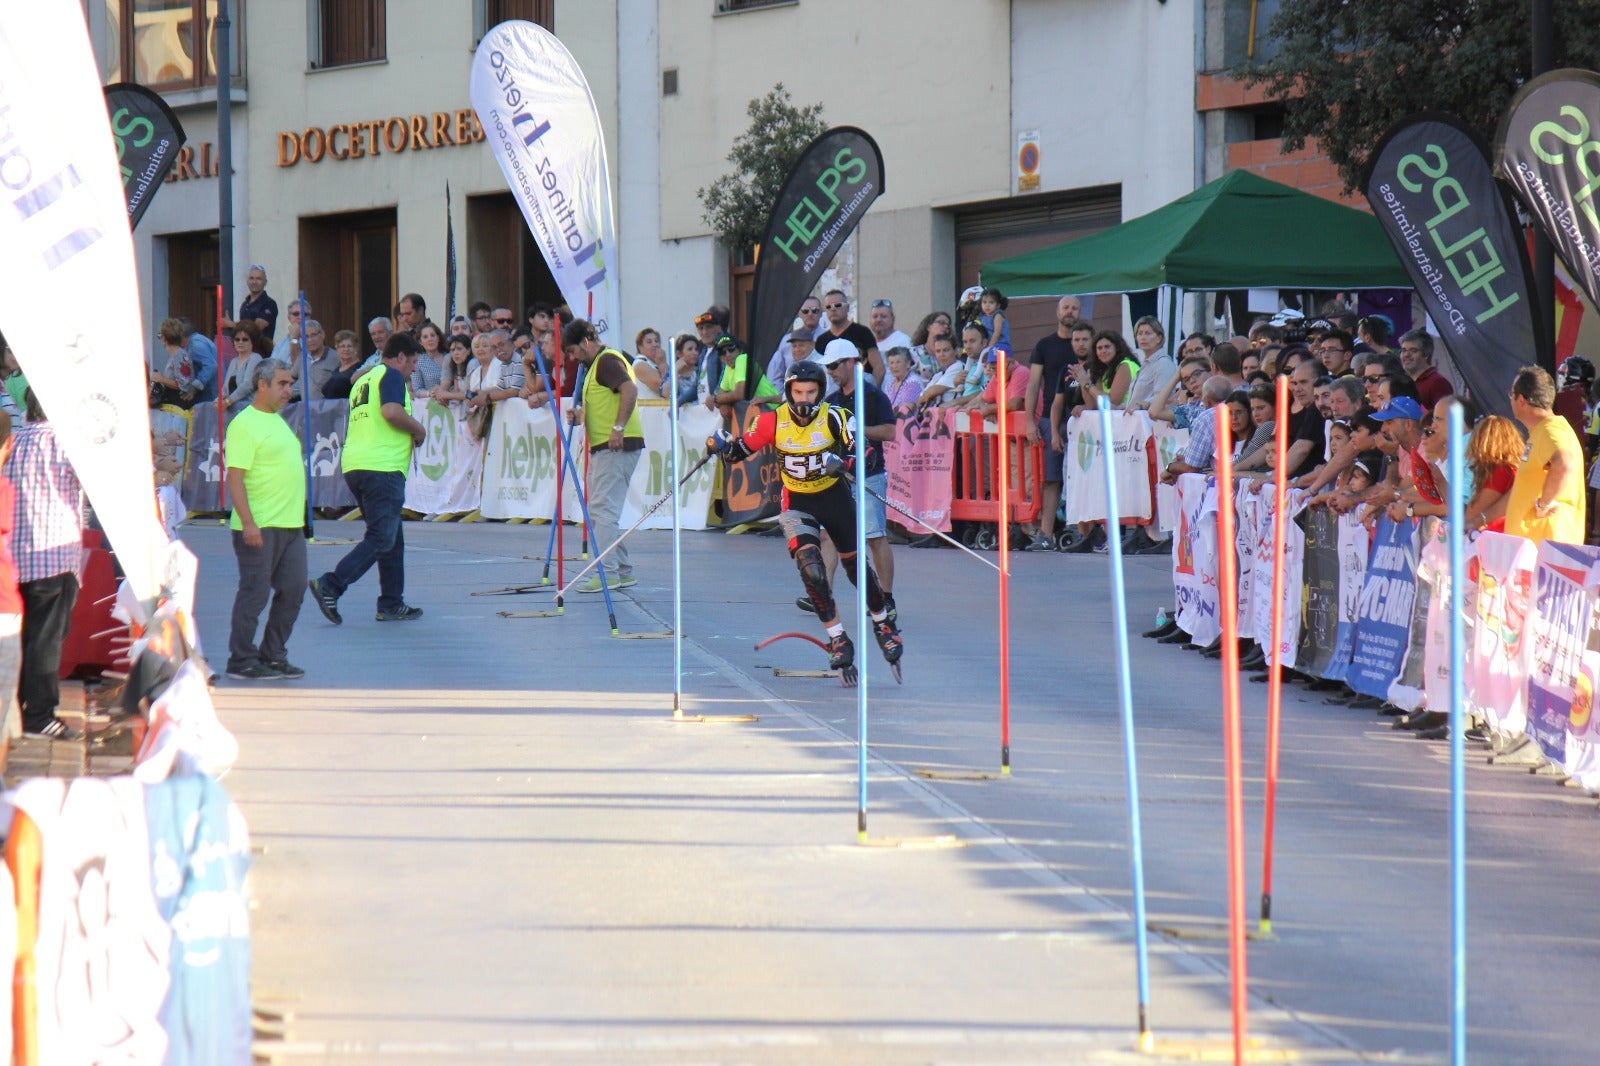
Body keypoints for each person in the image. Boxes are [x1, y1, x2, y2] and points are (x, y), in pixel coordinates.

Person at [705, 360, 902, 676]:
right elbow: (737, 452)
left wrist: (846, 464)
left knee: (855, 570)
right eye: (798, 392)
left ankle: (883, 623)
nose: (804, 399)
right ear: (788, 391)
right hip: (796, 500)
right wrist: (720, 444)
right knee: (812, 569)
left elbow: (867, 453)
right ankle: (838, 638)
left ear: (821, 392)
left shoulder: (836, 417)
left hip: (834, 498)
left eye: (811, 392)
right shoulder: (773, 421)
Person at [309, 334, 428, 624]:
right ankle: (331, 584)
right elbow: (391, 411)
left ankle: (391, 602)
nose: (414, 369)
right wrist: (418, 429)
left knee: (391, 536)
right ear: (400, 357)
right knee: (381, 537)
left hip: (356, 464)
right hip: (382, 467)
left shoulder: (365, 379)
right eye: (412, 362)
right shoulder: (391, 376)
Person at [6, 391, 84, 740]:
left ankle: (17, 710)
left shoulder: (15, 439)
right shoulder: (65, 442)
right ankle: (39, 715)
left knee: (20, 639)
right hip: (53, 553)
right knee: (45, 640)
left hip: (15, 555)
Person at [223, 359, 307, 681]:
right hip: (261, 524)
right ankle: (241, 658)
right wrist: (248, 523)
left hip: (289, 525)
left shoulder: (277, 420)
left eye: (290, 384)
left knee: (295, 587)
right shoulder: (245, 424)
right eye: (283, 384)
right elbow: (235, 478)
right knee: (255, 593)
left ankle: (272, 654)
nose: (289, 390)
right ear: (263, 385)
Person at [804, 339, 899, 621]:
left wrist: (859, 428)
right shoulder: (831, 400)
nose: (830, 372)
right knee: (829, 535)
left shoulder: (872, 395)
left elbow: (890, 432)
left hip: (868, 476)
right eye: (827, 367)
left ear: (850, 363)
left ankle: (886, 597)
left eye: (833, 366)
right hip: (838, 478)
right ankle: (824, 595)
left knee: (873, 537)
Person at [561, 319, 644, 591]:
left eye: (573, 352)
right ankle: (621, 570)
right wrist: (580, 416)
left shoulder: (606, 361)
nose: (572, 358)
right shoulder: (596, 365)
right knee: (599, 510)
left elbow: (630, 390)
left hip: (615, 445)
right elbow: (604, 403)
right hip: (605, 445)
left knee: (603, 510)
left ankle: (608, 574)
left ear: (585, 343)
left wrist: (618, 428)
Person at [1505, 366, 1587, 545]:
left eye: (1511, 394)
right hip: (1535, 548)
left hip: (1544, 550)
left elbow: (1565, 463)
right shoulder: (1543, 431)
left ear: (1521, 400)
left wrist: (1544, 504)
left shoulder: (1551, 429)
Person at [1025, 296, 1081, 551]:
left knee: (1082, 475)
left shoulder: (1086, 345)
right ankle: (1045, 533)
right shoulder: (1044, 345)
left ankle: (1082, 531)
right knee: (1052, 477)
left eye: (1075, 308)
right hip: (1050, 419)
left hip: (1083, 419)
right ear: (1057, 312)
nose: (1070, 312)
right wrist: (1029, 421)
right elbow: (1034, 384)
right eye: (1066, 307)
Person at [815, 289, 883, 383]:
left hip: (861, 389)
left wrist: (871, 393)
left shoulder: (862, 332)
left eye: (838, 305)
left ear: (847, 307)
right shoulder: (821, 340)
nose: (833, 309)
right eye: (828, 306)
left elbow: (878, 367)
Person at [1123, 315, 1174, 412]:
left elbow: (1163, 396)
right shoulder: (1145, 364)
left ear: (1159, 338)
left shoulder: (1163, 363)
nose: (1143, 337)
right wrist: (1123, 406)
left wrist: (1143, 405)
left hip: (1151, 422)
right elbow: (1136, 399)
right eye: (1139, 333)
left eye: (1148, 333)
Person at [220, 264, 280, 344]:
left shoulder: (269, 303)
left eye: (258, 279)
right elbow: (243, 330)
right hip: (244, 350)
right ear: (247, 281)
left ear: (265, 282)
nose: (254, 282)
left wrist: (231, 324)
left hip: (262, 353)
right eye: (251, 278)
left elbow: (255, 328)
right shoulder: (245, 304)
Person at [1397, 331, 1454, 410]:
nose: (1406, 355)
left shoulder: (1438, 383)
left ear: (1426, 354)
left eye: (1413, 350)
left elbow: (1445, 417)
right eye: (1404, 350)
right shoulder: (1404, 382)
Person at [219, 324, 263, 411]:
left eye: (245, 339)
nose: (240, 342)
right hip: (233, 409)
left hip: (250, 409)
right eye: (237, 339)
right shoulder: (233, 361)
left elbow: (248, 385)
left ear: (252, 342)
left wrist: (228, 401)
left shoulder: (255, 358)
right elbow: (225, 388)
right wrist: (218, 400)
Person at [317, 330, 366, 400]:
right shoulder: (336, 370)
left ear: (355, 349)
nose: (346, 349)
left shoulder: (360, 368)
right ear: (337, 349)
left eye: (349, 346)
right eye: (342, 346)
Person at [882, 347, 923, 416]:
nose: (894, 366)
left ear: (908, 364)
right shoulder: (890, 384)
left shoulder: (913, 382)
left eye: (898, 362)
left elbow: (906, 410)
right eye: (891, 363)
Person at [412, 321, 447, 399]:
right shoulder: (418, 362)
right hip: (431, 404)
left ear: (438, 338)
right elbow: (417, 390)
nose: (430, 339)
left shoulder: (449, 357)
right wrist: (430, 393)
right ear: (420, 342)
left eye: (432, 335)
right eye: (425, 337)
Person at [633, 327, 669, 399]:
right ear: (640, 347)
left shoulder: (657, 363)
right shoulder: (640, 365)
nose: (655, 344)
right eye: (649, 342)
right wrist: (662, 363)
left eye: (656, 341)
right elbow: (666, 390)